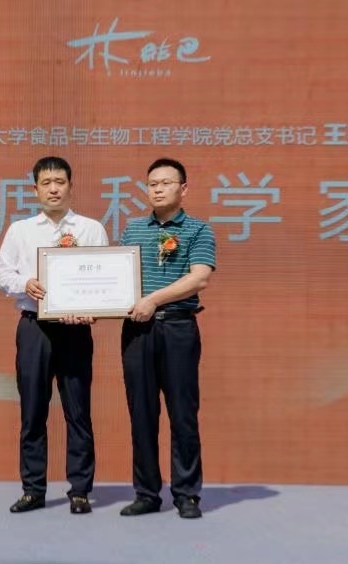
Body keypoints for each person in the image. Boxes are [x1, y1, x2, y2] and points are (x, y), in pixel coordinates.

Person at [0, 156, 109, 515]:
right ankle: (33, 490)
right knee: (32, 412)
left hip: (75, 329)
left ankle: (80, 490)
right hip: (34, 327)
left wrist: (94, 307)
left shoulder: (90, 229)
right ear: (35, 189)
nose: (54, 189)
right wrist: (25, 283)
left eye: (60, 182)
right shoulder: (20, 231)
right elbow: (2, 275)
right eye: (46, 183)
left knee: (78, 411)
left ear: (71, 186)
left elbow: (105, 278)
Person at [118, 158, 216, 519]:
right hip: (137, 331)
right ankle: (146, 493)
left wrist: (153, 300)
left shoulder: (198, 229)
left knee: (182, 413)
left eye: (166, 183)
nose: (158, 189)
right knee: (141, 414)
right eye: (152, 184)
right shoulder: (132, 229)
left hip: (177, 328)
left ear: (183, 189)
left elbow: (199, 277)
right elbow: (118, 278)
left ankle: (187, 493)